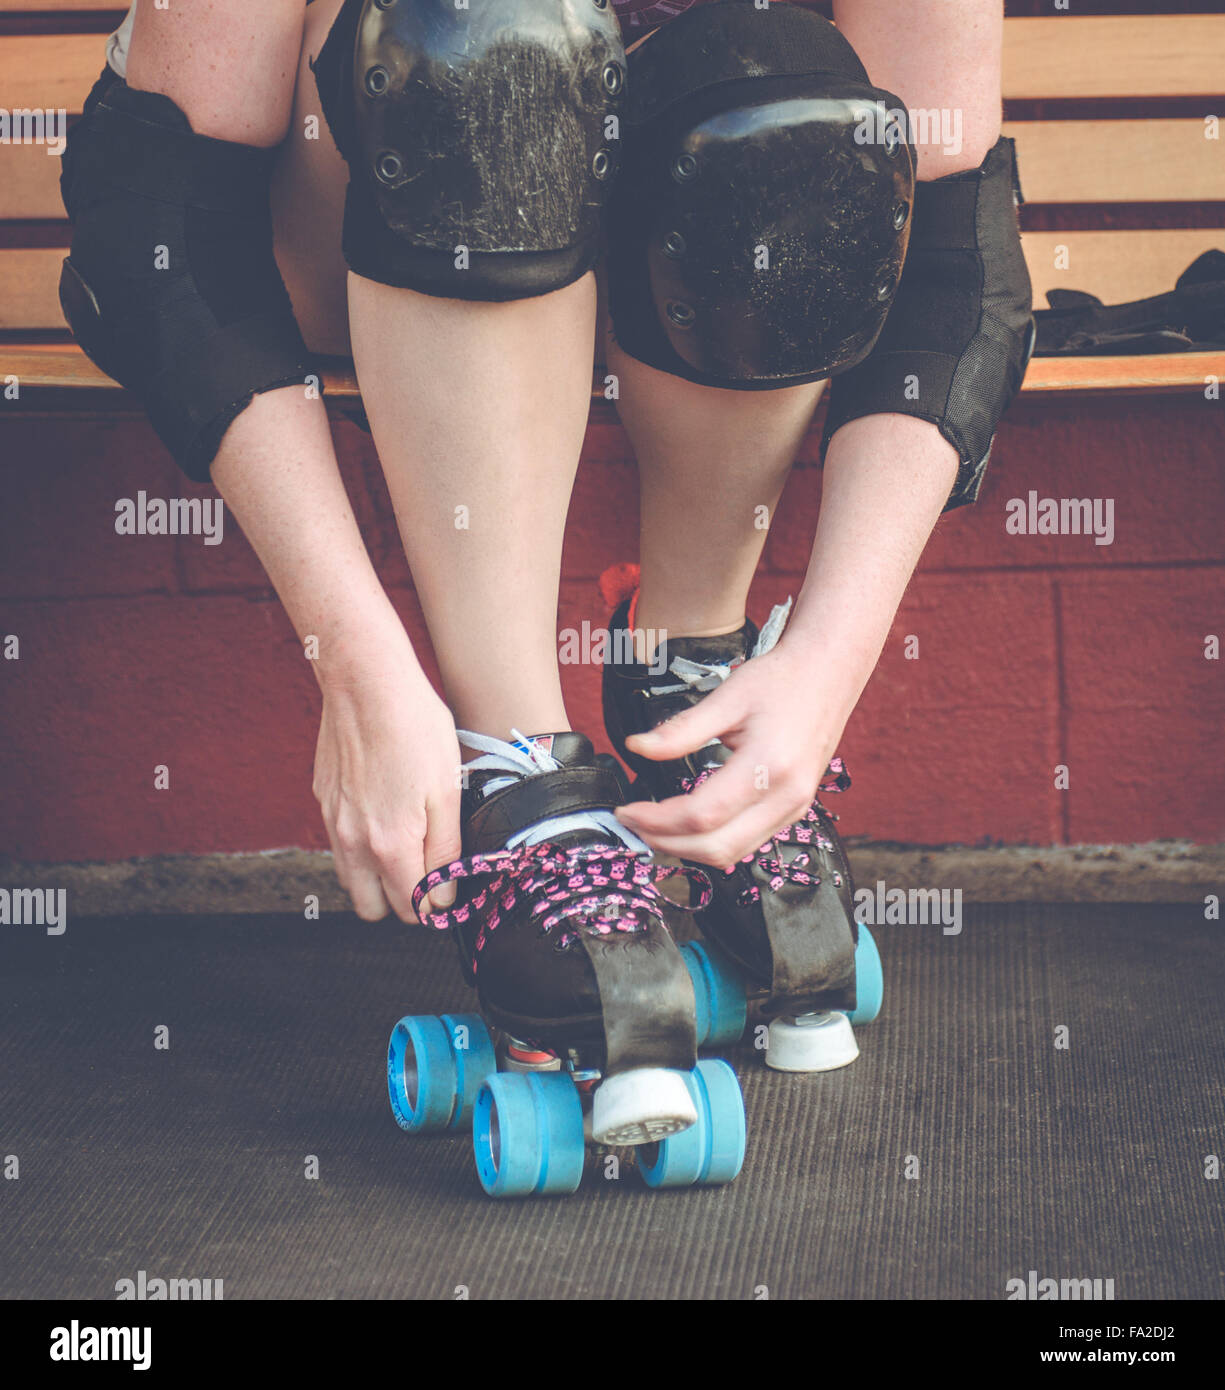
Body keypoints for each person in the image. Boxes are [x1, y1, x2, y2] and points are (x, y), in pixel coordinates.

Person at [58, 0, 1032, 1139]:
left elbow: (956, 257)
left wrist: (829, 654)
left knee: (776, 85)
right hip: (352, 205)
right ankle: (512, 761)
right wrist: (356, 658)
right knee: (486, 38)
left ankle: (691, 676)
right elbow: (162, 227)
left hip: (655, 231)